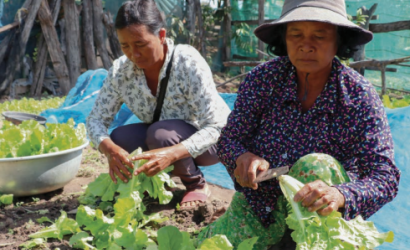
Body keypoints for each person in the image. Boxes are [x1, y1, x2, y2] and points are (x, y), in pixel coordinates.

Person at [198, 0, 401, 248]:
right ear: (284, 39)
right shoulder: (263, 80)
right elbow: (230, 139)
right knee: (202, 245)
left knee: (315, 165)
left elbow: (385, 177)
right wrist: (242, 157)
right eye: (296, 35)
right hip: (261, 208)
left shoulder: (358, 95)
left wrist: (339, 195)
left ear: (339, 41)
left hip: (321, 221)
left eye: (319, 36)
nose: (306, 46)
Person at [86, 0, 230, 210]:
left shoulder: (186, 61)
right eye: (125, 46)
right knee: (120, 138)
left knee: (160, 135)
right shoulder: (121, 72)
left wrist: (171, 153)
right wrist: (109, 149)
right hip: (163, 136)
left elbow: (216, 126)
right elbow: (95, 119)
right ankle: (154, 183)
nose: (133, 54)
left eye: (140, 44)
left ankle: (195, 184)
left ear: (161, 36)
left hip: (211, 144)